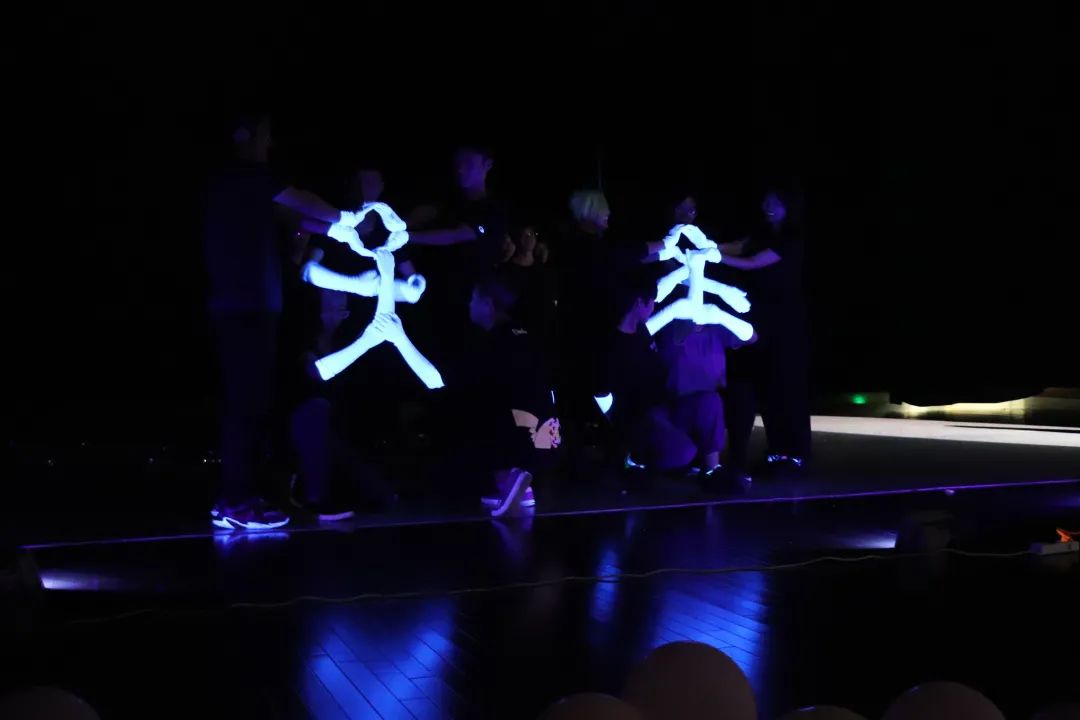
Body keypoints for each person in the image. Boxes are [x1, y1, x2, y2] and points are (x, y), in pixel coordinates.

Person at [203, 112, 363, 531]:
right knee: (245, 404)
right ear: (245, 135)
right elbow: (298, 200)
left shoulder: (238, 185)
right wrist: (345, 219)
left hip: (244, 307)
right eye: (265, 135)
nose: (269, 144)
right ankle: (235, 500)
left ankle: (239, 497)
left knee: (249, 402)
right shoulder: (247, 175)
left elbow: (293, 215)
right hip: (245, 307)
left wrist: (336, 229)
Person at [445, 274, 560, 517]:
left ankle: (512, 475)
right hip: (548, 437)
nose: (469, 304)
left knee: (473, 410)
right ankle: (519, 488)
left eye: (473, 298)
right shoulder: (527, 335)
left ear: (488, 303)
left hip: (521, 442)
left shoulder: (492, 342)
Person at [595, 269, 729, 474]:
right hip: (640, 419)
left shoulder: (641, 332)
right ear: (639, 303)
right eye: (651, 302)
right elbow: (601, 393)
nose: (653, 306)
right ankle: (635, 460)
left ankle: (713, 471)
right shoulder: (613, 346)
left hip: (666, 408)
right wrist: (620, 426)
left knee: (709, 401)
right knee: (683, 452)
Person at [720, 182, 812, 475]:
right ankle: (776, 452)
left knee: (787, 386)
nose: (768, 206)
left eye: (776, 202)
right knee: (769, 386)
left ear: (788, 206)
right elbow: (739, 246)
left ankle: (794, 453)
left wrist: (713, 256)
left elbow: (752, 262)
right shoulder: (762, 232)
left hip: (785, 321)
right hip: (762, 316)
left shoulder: (791, 237)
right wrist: (704, 245)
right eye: (767, 201)